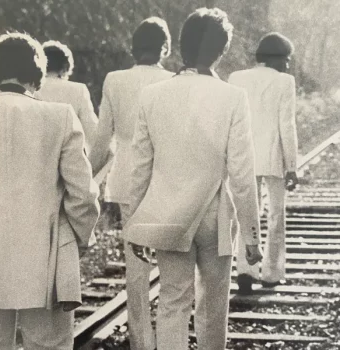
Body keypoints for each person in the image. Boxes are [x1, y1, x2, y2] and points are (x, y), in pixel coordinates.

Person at [123, 8, 263, 350]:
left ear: (181, 44)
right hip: (215, 216)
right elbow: (242, 173)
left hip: (168, 216)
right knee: (213, 308)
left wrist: (134, 224)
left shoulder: (152, 95)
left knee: (173, 302)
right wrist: (252, 234)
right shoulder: (232, 97)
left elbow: (140, 168)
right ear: (222, 49)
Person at [0, 32, 100, 350]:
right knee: (49, 345)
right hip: (47, 262)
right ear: (35, 74)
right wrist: (81, 239)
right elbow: (83, 194)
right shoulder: (60, 116)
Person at [88, 17, 173, 350]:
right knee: (169, 263)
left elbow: (102, 140)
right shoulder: (173, 80)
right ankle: (170, 334)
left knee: (136, 269)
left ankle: (142, 341)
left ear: (133, 48)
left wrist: (86, 179)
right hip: (165, 181)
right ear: (165, 48)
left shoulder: (115, 80)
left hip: (126, 181)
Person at [228, 32, 298, 294]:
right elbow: (286, 126)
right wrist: (292, 165)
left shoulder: (237, 78)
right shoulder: (284, 81)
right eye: (286, 59)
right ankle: (271, 273)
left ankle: (245, 271)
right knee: (276, 215)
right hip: (273, 158)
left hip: (243, 156)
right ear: (276, 59)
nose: (288, 65)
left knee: (245, 213)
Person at [35, 40, 98, 155]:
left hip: (38, 157)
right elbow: (92, 132)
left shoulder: (32, 89)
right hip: (70, 158)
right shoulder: (79, 90)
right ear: (65, 67)